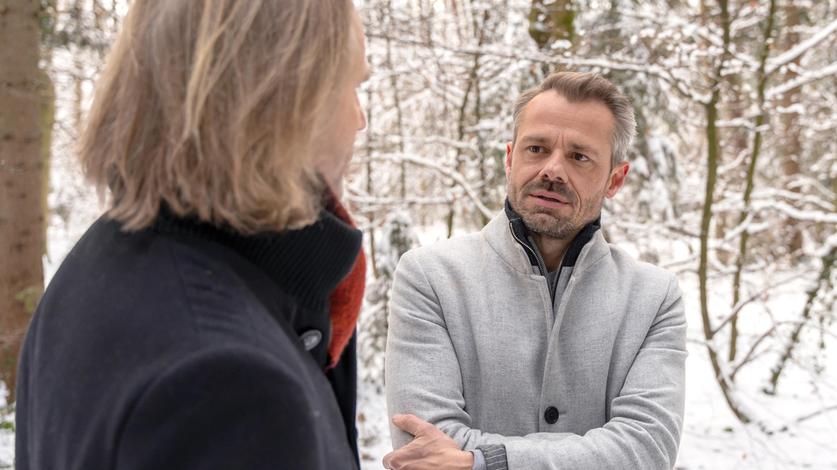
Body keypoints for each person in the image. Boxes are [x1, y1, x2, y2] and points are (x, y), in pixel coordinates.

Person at [15, 1, 369, 468]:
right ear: (285, 98)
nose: (360, 120)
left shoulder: (102, 259)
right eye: (352, 88)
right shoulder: (232, 385)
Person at [384, 71, 687, 470]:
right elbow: (421, 447)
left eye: (579, 156)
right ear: (510, 158)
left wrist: (485, 461)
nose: (553, 170)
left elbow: (645, 450)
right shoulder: (430, 279)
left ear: (615, 179)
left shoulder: (654, 298)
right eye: (537, 149)